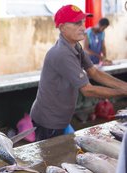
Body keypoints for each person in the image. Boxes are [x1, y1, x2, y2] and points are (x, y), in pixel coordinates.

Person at [30, 5, 127, 142]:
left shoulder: (75, 46)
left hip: (61, 117)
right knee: (51, 157)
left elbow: (94, 72)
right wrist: (122, 92)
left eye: (82, 22)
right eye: (77, 23)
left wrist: (124, 86)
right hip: (48, 121)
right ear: (62, 27)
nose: (83, 27)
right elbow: (88, 90)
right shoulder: (62, 53)